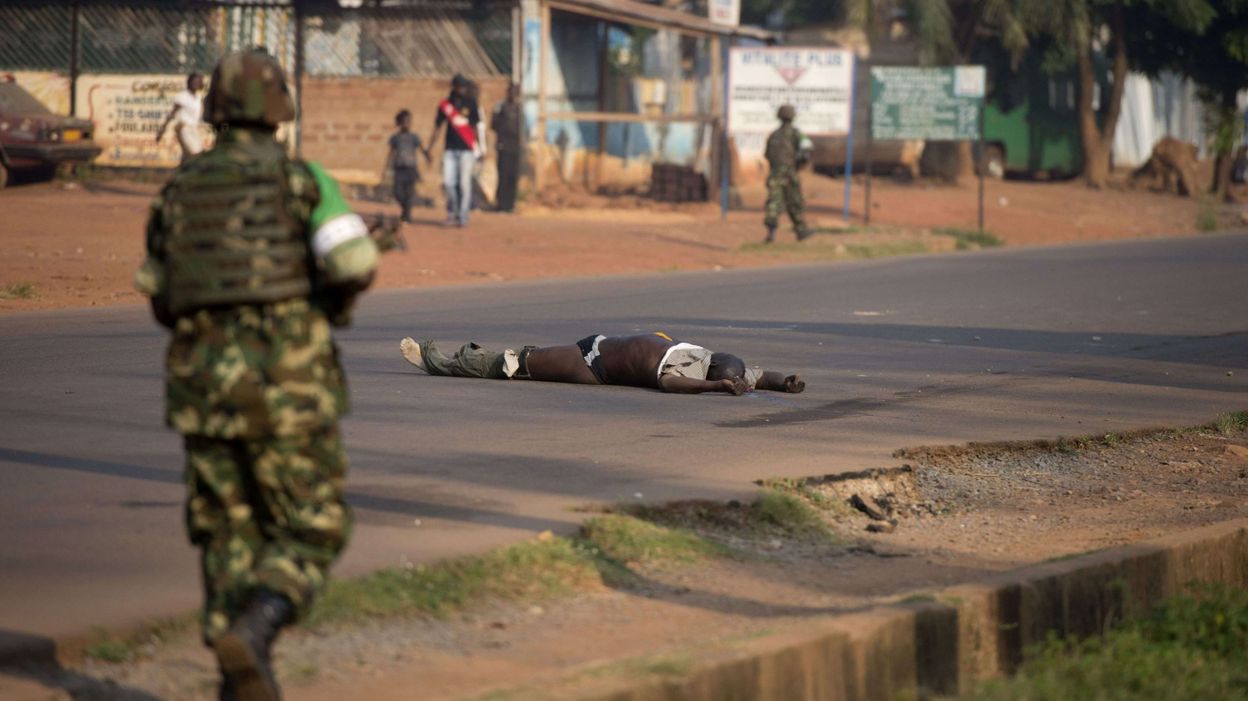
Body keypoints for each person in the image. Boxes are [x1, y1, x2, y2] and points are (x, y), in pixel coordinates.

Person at [133, 49, 379, 701]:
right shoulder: (301, 180)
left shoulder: (179, 189)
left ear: (214, 107)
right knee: (314, 523)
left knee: (226, 534)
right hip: (288, 388)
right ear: (278, 107)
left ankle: (236, 675)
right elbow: (354, 259)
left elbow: (160, 294)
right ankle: (262, 622)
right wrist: (328, 306)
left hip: (201, 392)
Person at [397, 332, 805, 395]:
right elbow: (754, 374)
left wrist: (715, 388)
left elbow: (670, 384)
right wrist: (780, 381)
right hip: (597, 343)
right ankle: (452, 360)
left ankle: (438, 363)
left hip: (590, 366)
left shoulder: (685, 375)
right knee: (520, 358)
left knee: (514, 364)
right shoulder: (707, 359)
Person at [426, 74, 483, 227]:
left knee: (464, 184)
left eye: (464, 86)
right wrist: (429, 148)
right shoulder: (445, 105)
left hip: (467, 150)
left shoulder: (471, 104)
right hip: (450, 149)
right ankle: (452, 213)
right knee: (449, 183)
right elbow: (437, 128)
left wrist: (479, 150)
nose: (462, 89)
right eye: (460, 86)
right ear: (454, 87)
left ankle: (462, 216)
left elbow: (475, 128)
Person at [763, 104, 813, 243]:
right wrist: (797, 166)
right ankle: (801, 231)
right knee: (795, 202)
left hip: (775, 174)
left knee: (773, 203)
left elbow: (767, 154)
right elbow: (806, 152)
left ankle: (770, 234)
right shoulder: (796, 134)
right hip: (790, 173)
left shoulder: (773, 135)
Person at [156, 72, 206, 163]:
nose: (196, 84)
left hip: (193, 129)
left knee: (195, 153)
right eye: (194, 82)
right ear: (189, 82)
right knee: (193, 153)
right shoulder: (182, 96)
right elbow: (172, 113)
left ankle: (181, 173)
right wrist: (162, 129)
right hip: (183, 128)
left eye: (198, 82)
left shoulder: (198, 97)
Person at [384, 109, 424, 223]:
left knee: (409, 193)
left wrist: (427, 156)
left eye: (409, 121)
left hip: (411, 168)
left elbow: (421, 148)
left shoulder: (414, 137)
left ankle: (407, 216)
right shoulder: (395, 138)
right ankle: (405, 210)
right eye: (405, 121)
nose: (408, 124)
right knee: (398, 192)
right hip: (399, 168)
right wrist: (387, 168)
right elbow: (391, 153)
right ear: (400, 123)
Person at [490, 83, 523, 213]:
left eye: (516, 92)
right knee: (503, 174)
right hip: (503, 145)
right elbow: (493, 124)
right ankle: (501, 204)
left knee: (512, 176)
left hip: (516, 146)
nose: (513, 95)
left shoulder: (520, 108)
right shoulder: (501, 106)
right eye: (511, 92)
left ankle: (511, 204)